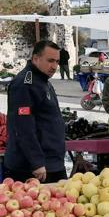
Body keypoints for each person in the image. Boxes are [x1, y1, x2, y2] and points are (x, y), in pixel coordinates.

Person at [4, 40, 67, 183]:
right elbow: (23, 126)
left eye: (57, 61)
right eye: (50, 61)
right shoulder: (25, 84)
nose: (54, 66)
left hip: (52, 162)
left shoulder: (43, 80)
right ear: (35, 59)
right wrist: (37, 162)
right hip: (33, 168)